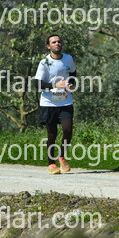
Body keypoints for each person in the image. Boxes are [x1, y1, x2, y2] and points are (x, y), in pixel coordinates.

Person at [35, 34, 77, 175]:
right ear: (48, 46)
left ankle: (62, 156)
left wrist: (71, 84)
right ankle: (51, 164)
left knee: (67, 130)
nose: (57, 43)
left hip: (65, 101)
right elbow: (38, 84)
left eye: (59, 41)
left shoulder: (68, 59)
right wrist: (54, 85)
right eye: (53, 42)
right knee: (52, 134)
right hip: (49, 103)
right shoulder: (44, 63)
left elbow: (73, 74)